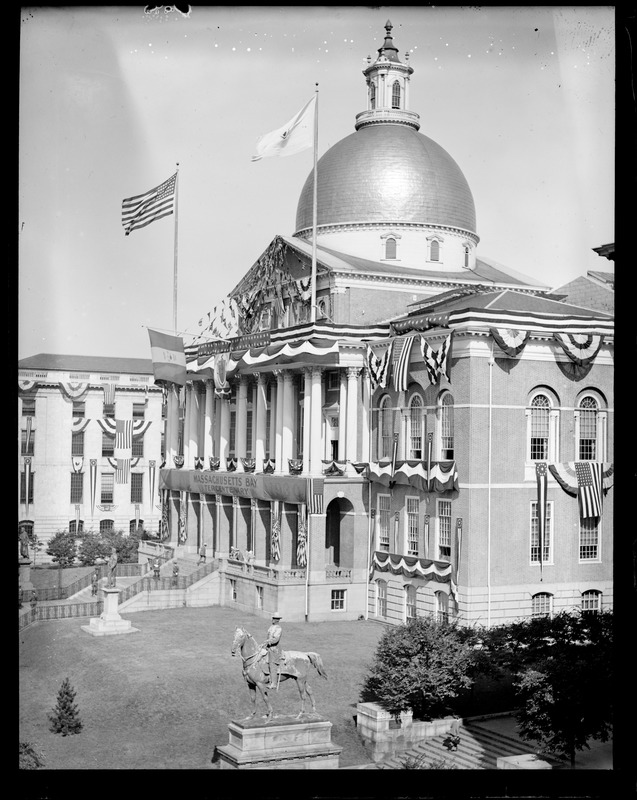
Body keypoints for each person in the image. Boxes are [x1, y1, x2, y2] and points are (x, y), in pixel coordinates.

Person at [264, 612, 283, 689]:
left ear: (277, 620)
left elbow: (275, 639)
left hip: (274, 649)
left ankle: (274, 683)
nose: (272, 619)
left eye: (274, 618)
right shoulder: (271, 627)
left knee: (272, 664)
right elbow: (268, 636)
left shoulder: (278, 628)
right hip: (268, 647)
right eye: (273, 618)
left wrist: (268, 642)